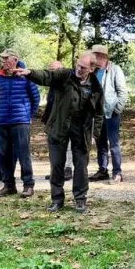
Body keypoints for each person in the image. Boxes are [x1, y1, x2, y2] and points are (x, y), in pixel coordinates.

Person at [14, 52, 105, 213]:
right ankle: (57, 200)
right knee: (57, 165)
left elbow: (99, 113)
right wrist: (30, 73)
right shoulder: (64, 75)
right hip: (58, 126)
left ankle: (80, 199)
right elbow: (48, 76)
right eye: (77, 65)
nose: (78, 69)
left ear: (91, 69)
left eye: (83, 67)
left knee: (81, 166)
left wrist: (94, 133)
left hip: (81, 130)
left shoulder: (95, 87)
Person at [0, 49, 40, 198]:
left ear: (15, 59)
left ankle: (28, 185)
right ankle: (8, 185)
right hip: (2, 120)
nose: (3, 62)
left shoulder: (25, 75)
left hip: (21, 120)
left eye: (6, 59)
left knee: (23, 153)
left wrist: (28, 115)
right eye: (2, 59)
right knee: (3, 154)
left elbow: (36, 98)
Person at [88, 44, 129, 184]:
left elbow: (122, 92)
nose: (95, 58)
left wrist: (117, 110)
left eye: (98, 55)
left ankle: (117, 173)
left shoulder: (115, 70)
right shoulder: (93, 71)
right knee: (100, 143)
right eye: (94, 55)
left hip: (111, 113)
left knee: (114, 144)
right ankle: (102, 170)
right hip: (97, 115)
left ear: (104, 56)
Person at [42, 61, 73, 182]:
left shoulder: (68, 83)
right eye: (50, 71)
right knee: (54, 146)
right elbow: (51, 103)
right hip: (53, 120)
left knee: (68, 145)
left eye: (54, 71)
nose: (52, 73)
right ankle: (56, 171)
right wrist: (46, 118)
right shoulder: (53, 85)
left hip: (66, 120)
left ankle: (67, 169)